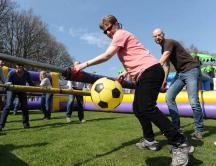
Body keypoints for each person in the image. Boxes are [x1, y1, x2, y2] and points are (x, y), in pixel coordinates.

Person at [74, 15, 194, 166]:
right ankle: (149, 139)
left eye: (109, 28)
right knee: (138, 108)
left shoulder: (120, 34)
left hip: (150, 71)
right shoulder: (121, 38)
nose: (109, 33)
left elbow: (107, 55)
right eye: (105, 32)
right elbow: (135, 57)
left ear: (116, 24)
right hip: (146, 72)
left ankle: (180, 142)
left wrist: (82, 65)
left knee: (147, 107)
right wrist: (125, 73)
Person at [152, 28, 204, 140]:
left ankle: (199, 130)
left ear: (163, 34)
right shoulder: (163, 49)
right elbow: (166, 66)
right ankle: (176, 127)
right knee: (169, 97)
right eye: (155, 36)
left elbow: (164, 57)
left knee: (193, 102)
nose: (157, 37)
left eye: (159, 35)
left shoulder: (169, 43)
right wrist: (164, 80)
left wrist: (151, 68)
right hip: (180, 74)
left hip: (191, 70)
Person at [0, 64, 34, 131]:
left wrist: (38, 88)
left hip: (22, 89)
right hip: (12, 90)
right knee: (8, 106)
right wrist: (7, 85)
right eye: (16, 68)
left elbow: (31, 83)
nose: (17, 70)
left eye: (19, 68)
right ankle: (0, 125)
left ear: (23, 68)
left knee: (25, 106)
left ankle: (26, 124)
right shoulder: (12, 72)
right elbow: (6, 82)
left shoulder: (26, 74)